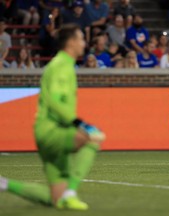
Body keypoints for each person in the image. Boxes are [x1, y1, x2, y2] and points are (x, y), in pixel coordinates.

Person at [0, 24, 105, 210]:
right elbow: (54, 102)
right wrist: (79, 123)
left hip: (48, 132)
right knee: (92, 138)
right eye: (81, 38)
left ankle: (4, 184)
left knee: (55, 200)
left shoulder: (63, 65)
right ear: (71, 42)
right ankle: (71, 191)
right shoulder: (60, 65)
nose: (84, 43)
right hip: (51, 131)